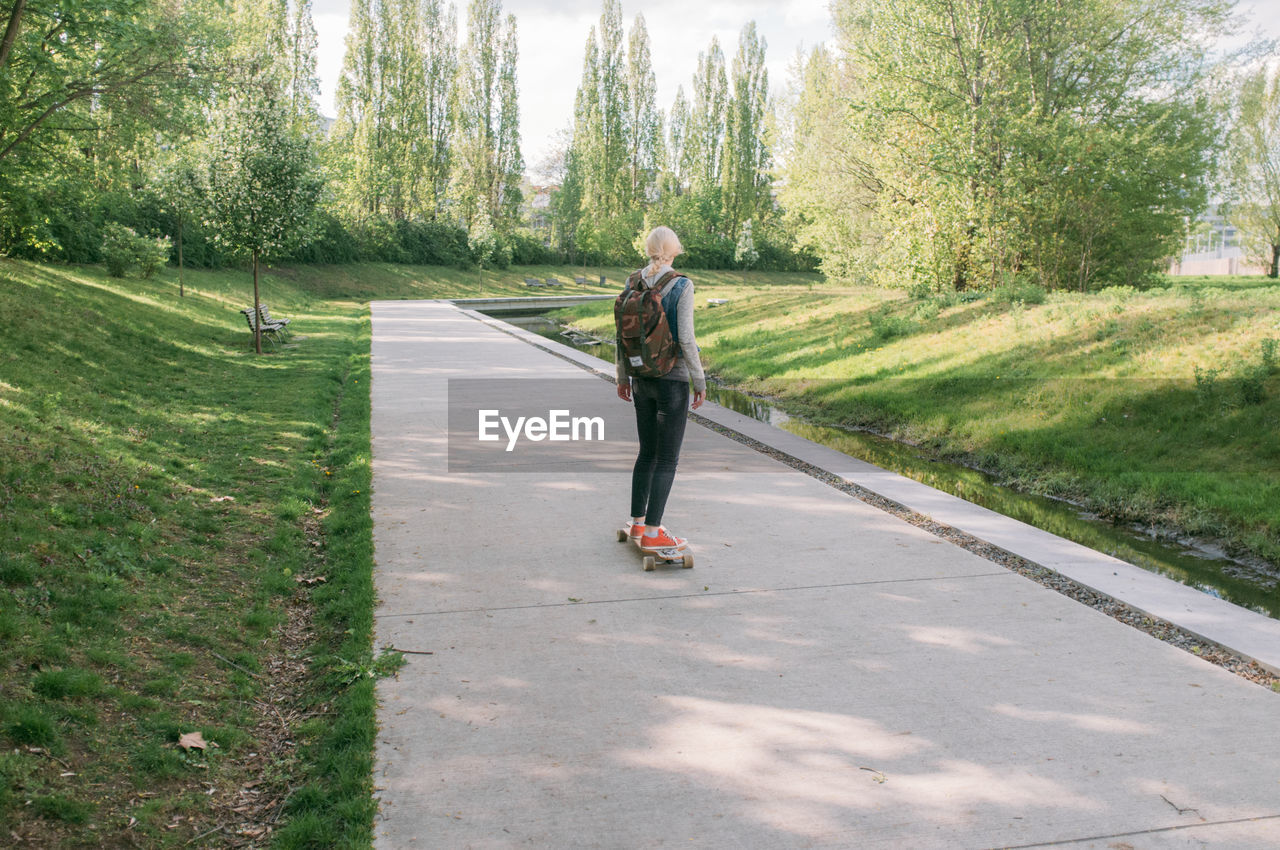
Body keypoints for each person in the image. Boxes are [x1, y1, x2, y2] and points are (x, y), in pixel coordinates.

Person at [616, 226, 706, 551]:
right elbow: (686, 338)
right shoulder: (682, 284)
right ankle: (654, 532)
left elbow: (621, 335)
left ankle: (638, 524)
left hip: (641, 379)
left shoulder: (632, 282)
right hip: (673, 380)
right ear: (674, 250)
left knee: (646, 453)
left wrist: (622, 377)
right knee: (667, 458)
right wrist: (700, 379)